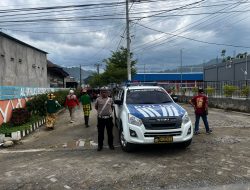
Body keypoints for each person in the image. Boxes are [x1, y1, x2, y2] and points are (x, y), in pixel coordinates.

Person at [95, 86, 114, 151]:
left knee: (110, 133)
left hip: (109, 119)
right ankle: (100, 146)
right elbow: (96, 107)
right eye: (102, 92)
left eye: (105, 92)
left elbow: (112, 107)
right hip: (101, 119)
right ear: (100, 93)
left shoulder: (110, 99)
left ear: (108, 92)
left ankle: (111, 145)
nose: (104, 93)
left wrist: (108, 113)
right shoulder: (98, 99)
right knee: (100, 133)